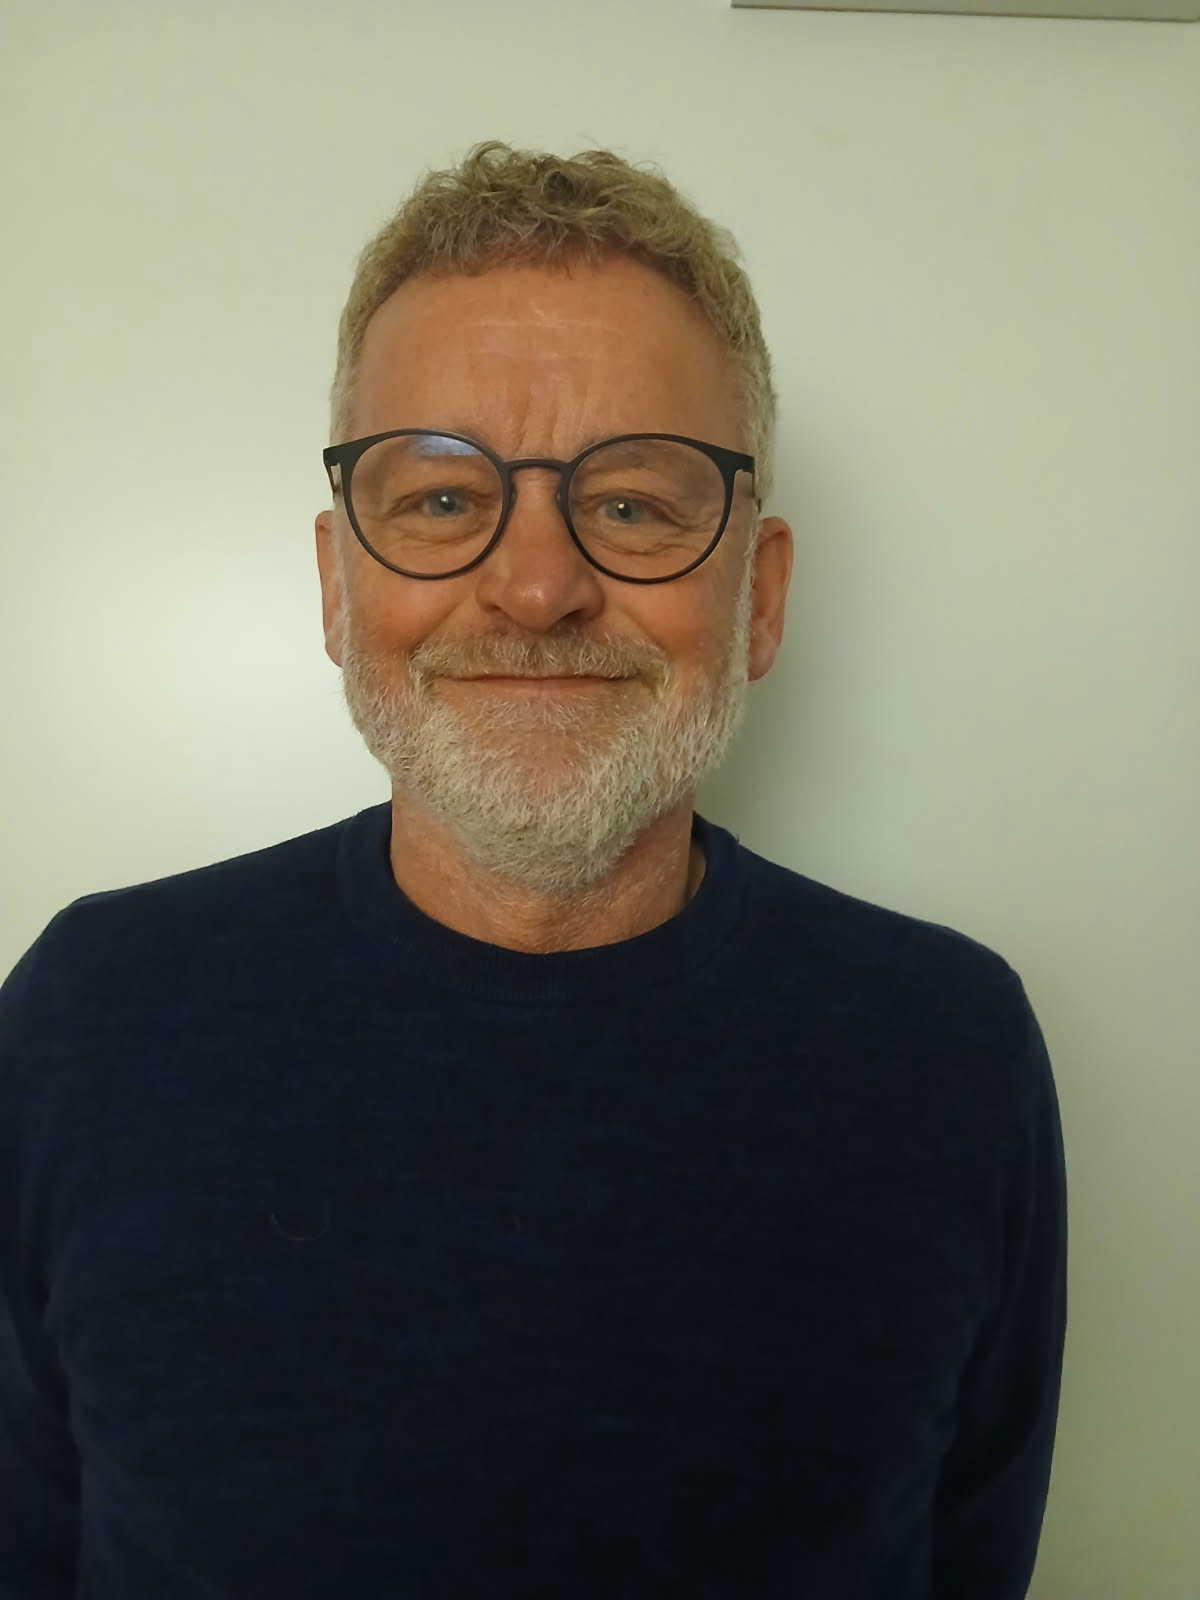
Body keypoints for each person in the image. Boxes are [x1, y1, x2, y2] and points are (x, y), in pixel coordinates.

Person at [0, 141, 1067, 1598]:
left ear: (758, 598)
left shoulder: (949, 1049)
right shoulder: (91, 1016)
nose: (539, 585)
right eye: (442, 500)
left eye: (632, 504)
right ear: (336, 586)